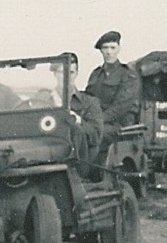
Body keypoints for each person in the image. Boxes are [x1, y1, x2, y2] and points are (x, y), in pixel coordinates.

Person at [41, 54, 104, 177]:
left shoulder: (89, 102)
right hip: (44, 156)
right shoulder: (43, 99)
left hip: (76, 164)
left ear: (76, 74)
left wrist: (79, 120)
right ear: (54, 74)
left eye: (71, 72)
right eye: (62, 72)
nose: (66, 76)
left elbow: (96, 136)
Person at [85, 30, 141, 162]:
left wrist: (96, 121)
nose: (109, 52)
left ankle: (89, 171)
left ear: (119, 49)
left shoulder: (128, 74)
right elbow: (87, 99)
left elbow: (121, 106)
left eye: (112, 47)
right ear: (101, 51)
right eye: (105, 48)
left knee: (89, 133)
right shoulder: (95, 74)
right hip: (99, 122)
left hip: (120, 125)